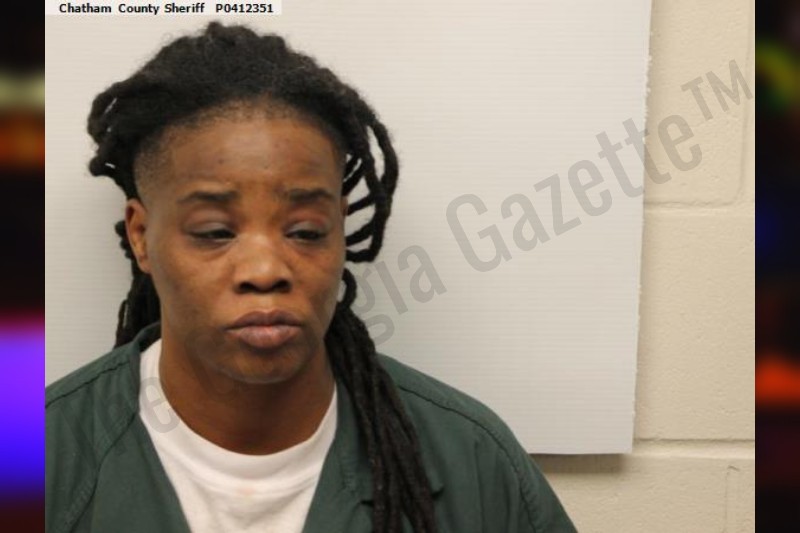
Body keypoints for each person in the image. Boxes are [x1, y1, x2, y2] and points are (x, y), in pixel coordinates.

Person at [45, 22, 576, 533]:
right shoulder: (40, 458)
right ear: (141, 236)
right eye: (214, 232)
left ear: (340, 229)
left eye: (305, 231)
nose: (265, 271)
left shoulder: (471, 462)